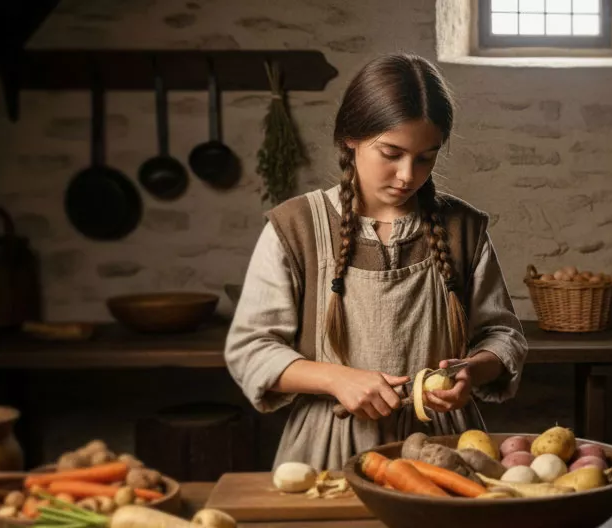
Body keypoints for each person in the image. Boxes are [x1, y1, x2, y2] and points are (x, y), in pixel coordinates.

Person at [225, 53, 528, 471]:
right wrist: (337, 379)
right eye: (391, 152)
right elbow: (250, 349)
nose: (407, 175)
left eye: (425, 157)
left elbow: (503, 336)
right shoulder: (296, 227)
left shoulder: (464, 229)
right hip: (329, 449)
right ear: (350, 137)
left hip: (445, 451)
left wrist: (471, 373)